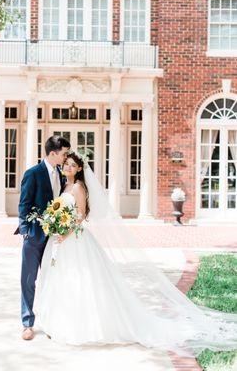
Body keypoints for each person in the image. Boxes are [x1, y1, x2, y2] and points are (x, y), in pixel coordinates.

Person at [37, 151, 237, 357]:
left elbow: (79, 217)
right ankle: (63, 322)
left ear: (79, 169)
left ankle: (84, 326)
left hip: (74, 240)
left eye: (72, 165)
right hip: (64, 242)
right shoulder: (65, 186)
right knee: (66, 280)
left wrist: (65, 233)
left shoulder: (79, 187)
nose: (67, 167)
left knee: (82, 281)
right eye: (66, 164)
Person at [14, 135, 70, 340]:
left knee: (52, 279)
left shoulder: (62, 175)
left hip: (55, 238)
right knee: (28, 279)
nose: (66, 158)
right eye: (64, 153)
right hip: (34, 236)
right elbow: (24, 204)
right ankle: (27, 323)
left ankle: (51, 322)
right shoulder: (33, 173)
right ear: (53, 153)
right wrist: (26, 231)